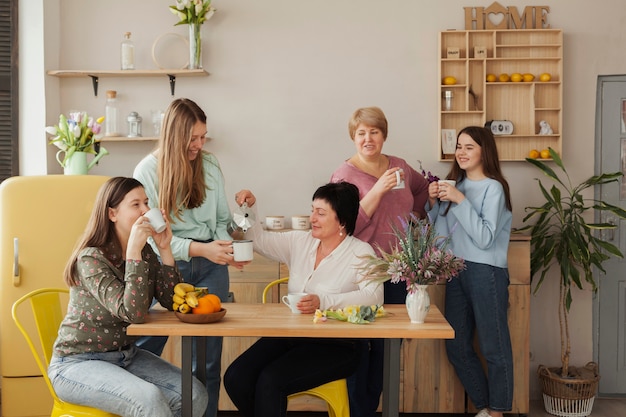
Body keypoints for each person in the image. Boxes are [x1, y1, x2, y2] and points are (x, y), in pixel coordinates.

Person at [47, 177, 208, 417]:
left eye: (146, 203)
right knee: (149, 400)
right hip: (77, 363)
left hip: (125, 355)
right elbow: (133, 312)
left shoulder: (145, 250)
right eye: (136, 205)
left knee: (194, 394)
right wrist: (133, 251)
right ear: (112, 214)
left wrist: (165, 249)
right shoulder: (92, 258)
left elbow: (170, 299)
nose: (146, 211)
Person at [223, 182, 383, 417]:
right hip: (292, 335)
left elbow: (374, 298)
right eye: (312, 211)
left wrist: (323, 301)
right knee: (236, 377)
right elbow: (259, 241)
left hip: (339, 345)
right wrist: (252, 209)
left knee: (270, 381)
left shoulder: (361, 252)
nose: (312, 218)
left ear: (342, 220)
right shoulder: (301, 241)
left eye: (321, 213)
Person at [133, 98, 247, 417]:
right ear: (174, 135)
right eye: (193, 138)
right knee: (143, 346)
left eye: (203, 136)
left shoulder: (209, 164)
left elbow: (223, 221)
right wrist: (202, 249)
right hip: (168, 266)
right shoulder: (147, 171)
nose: (199, 145)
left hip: (212, 268)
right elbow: (157, 242)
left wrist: (228, 248)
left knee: (208, 362)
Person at [330, 106, 429, 416]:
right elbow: (342, 226)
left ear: (384, 135)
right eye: (361, 133)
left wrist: (415, 218)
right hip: (361, 273)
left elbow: (422, 190)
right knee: (358, 347)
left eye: (374, 132)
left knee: (388, 348)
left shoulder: (399, 166)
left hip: (398, 271)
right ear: (353, 137)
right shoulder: (344, 176)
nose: (368, 138)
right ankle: (359, 411)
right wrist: (377, 191)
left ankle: (370, 407)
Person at [426, 126, 513, 417]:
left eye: (469, 147)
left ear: (483, 151)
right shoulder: (457, 186)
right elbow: (441, 235)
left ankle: (497, 412)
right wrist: (434, 203)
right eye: (459, 146)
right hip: (456, 269)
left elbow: (485, 238)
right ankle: (486, 408)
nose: (461, 152)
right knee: (457, 346)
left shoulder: (493, 188)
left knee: (494, 345)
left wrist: (460, 201)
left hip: (486, 272)